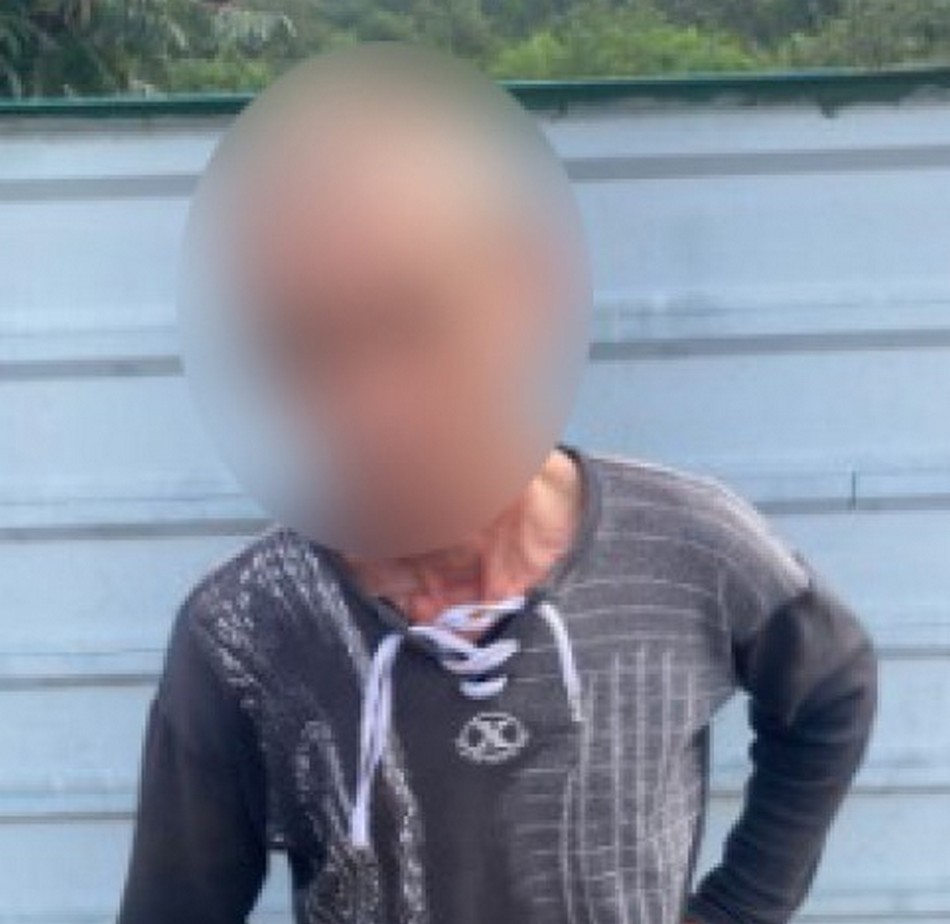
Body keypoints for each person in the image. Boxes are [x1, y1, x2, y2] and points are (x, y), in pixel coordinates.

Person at [116, 42, 878, 924]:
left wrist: (741, 907)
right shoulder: (246, 630)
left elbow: (833, 689)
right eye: (309, 346)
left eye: (410, 320)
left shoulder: (688, 548)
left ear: (521, 291)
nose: (371, 409)